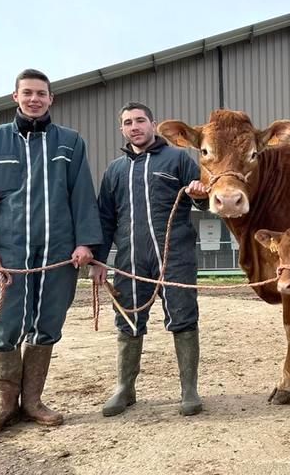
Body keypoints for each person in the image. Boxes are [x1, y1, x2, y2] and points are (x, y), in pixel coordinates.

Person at [0, 69, 103, 437]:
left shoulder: (69, 142)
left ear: (50, 98)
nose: (34, 99)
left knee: (47, 323)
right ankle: (5, 405)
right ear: (15, 96)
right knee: (4, 325)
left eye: (41, 93)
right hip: (8, 252)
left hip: (59, 249)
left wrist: (85, 243)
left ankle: (33, 402)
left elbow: (81, 195)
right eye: (27, 93)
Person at [89, 102, 209, 417]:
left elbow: (205, 202)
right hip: (130, 260)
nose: (135, 127)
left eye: (140, 120)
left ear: (152, 124)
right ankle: (125, 388)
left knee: (183, 318)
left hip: (175, 257)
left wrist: (200, 193)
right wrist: (98, 261)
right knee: (128, 320)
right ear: (122, 129)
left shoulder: (178, 159)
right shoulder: (114, 170)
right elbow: (105, 219)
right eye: (128, 122)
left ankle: (189, 389)